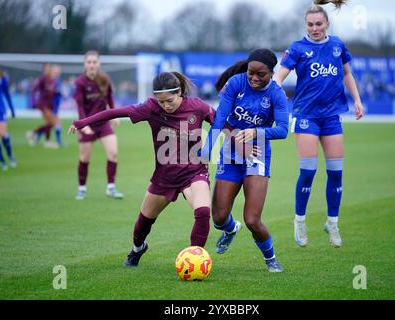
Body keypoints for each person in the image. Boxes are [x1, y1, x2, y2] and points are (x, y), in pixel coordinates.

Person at [68, 71, 215, 267]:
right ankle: (138, 248)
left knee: (203, 211)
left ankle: (195, 260)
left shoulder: (198, 107)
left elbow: (223, 123)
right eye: (161, 102)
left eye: (169, 100)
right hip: (164, 176)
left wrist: (242, 140)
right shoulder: (150, 107)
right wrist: (83, 122)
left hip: (194, 173)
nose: (165, 105)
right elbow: (115, 112)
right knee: (143, 224)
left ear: (179, 92)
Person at [273, 0, 365, 248]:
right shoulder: (298, 48)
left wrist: (357, 100)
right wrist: (271, 93)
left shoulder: (337, 45)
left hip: (331, 116)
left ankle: (332, 223)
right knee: (309, 171)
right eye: (310, 24)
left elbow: (347, 73)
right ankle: (299, 220)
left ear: (327, 24)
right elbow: (279, 75)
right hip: (306, 116)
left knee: (336, 173)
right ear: (306, 25)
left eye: (319, 24)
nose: (314, 28)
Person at [201, 48, 290, 273]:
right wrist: (205, 152)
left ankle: (271, 259)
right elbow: (219, 119)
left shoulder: (277, 94)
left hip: (257, 156)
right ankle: (230, 230)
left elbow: (282, 130)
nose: (254, 78)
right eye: (251, 72)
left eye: (261, 75)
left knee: (252, 219)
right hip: (230, 154)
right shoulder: (235, 84)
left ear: (272, 73)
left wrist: (256, 132)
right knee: (219, 218)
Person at [72, 50, 123, 200]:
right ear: (85, 64)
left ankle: (111, 188)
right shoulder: (80, 83)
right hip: (87, 123)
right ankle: (82, 188)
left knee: (113, 153)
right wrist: (83, 125)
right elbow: (80, 107)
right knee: (84, 158)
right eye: (89, 62)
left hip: (103, 123)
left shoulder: (104, 79)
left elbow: (110, 99)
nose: (92, 65)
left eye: (94, 62)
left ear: (98, 63)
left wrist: (115, 115)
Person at [0, 53, 17, 170]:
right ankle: (2, 161)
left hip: (0, 111)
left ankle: (10, 156)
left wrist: (12, 109)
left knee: (3, 134)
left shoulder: (1, 77)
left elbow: (7, 94)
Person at [26, 63, 61, 148]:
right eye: (46, 69)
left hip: (49, 105)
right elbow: (33, 90)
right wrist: (33, 101)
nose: (48, 70)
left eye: (49, 69)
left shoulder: (52, 81)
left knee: (51, 123)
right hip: (43, 105)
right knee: (53, 122)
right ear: (43, 70)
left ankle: (34, 134)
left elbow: (53, 93)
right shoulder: (42, 79)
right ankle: (45, 140)